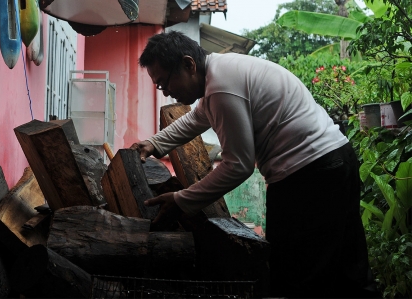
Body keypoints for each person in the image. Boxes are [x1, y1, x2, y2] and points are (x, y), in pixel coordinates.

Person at [129, 31, 375, 298]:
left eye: (165, 83)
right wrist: (154, 144)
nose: (166, 92)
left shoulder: (221, 87)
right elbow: (198, 117)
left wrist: (181, 200)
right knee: (351, 268)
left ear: (189, 64)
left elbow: (238, 165)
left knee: (298, 275)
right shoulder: (220, 74)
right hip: (336, 159)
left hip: (308, 176)